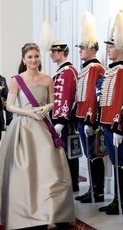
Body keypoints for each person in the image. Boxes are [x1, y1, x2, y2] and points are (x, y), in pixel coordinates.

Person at [0, 42, 75, 230]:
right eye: (29, 57)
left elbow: (53, 102)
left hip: (43, 127)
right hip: (22, 127)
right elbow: (9, 106)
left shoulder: (47, 79)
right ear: (24, 59)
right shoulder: (17, 80)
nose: (33, 60)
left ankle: (51, 214)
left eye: (36, 56)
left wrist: (46, 107)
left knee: (49, 171)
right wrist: (28, 113)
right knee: (23, 173)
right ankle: (23, 213)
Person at [97, 13, 123, 214]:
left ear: (122, 48)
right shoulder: (111, 70)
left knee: (122, 162)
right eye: (108, 46)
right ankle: (117, 200)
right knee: (115, 162)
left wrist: (119, 128)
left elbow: (122, 101)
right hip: (107, 123)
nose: (108, 49)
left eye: (112, 45)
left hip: (117, 126)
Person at [74, 12, 106, 203]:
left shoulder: (95, 68)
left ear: (92, 49)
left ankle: (98, 191)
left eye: (83, 47)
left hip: (89, 120)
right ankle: (93, 190)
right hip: (81, 117)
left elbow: (94, 98)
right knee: (89, 155)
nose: (80, 50)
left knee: (94, 155)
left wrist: (91, 120)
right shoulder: (87, 67)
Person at [50, 40, 79, 192]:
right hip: (60, 119)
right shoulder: (62, 71)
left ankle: (72, 183)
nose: (51, 55)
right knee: (64, 152)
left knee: (69, 152)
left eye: (54, 52)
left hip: (65, 120)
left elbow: (67, 97)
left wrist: (61, 120)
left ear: (61, 53)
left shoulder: (68, 71)